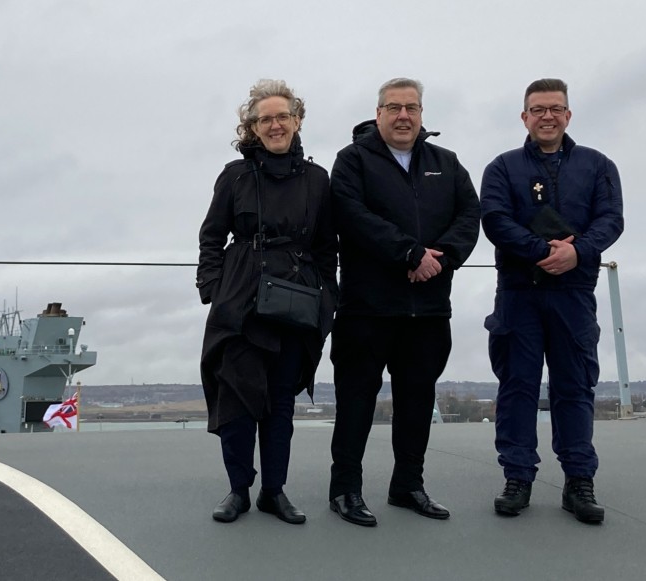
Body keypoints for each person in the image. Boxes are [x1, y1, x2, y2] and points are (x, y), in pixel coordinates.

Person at [328, 78, 480, 526]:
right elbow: (352, 217)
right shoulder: (352, 161)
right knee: (355, 402)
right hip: (366, 309)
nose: (403, 116)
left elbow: (469, 216)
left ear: (421, 113)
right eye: (393, 107)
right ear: (378, 114)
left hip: (428, 309)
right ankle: (345, 491)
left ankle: (408, 485)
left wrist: (441, 258)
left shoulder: (445, 164)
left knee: (417, 401)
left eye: (411, 107)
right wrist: (408, 253)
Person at [480, 78, 624, 524]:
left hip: (574, 295)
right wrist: (542, 252)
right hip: (520, 294)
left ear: (568, 115)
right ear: (524, 117)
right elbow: (495, 219)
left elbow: (611, 219)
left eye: (555, 108)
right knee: (517, 388)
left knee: (575, 388)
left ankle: (579, 481)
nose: (547, 116)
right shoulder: (502, 168)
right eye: (538, 109)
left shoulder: (598, 166)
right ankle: (518, 477)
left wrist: (577, 251)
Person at [196, 79, 338, 525]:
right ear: (252, 127)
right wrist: (213, 289)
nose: (275, 125)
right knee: (237, 401)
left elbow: (326, 247)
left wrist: (325, 301)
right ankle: (238, 490)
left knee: (279, 405)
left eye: (282, 117)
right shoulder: (235, 176)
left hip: (294, 303)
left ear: (297, 121)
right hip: (240, 300)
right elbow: (212, 237)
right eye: (265, 119)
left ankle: (274, 492)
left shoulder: (317, 179)